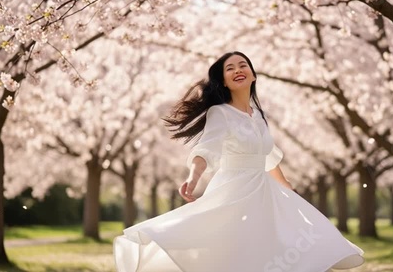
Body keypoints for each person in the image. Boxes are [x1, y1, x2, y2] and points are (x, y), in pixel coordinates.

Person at [113, 51, 364, 272]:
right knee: (235, 250)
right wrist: (193, 177)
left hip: (265, 190)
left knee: (290, 242)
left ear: (253, 75)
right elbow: (207, 149)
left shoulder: (258, 116)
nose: (238, 70)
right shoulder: (220, 112)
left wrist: (289, 190)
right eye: (230, 68)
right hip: (235, 190)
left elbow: (267, 157)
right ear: (223, 81)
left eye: (243, 65)